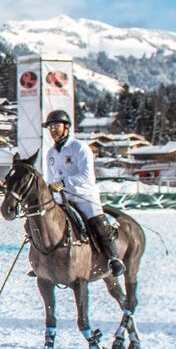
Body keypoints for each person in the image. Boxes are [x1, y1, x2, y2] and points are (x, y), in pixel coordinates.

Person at [42, 110, 125, 276]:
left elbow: (87, 175)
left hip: (83, 196)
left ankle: (114, 259)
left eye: (56, 126)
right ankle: (43, 261)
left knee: (98, 223)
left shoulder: (79, 147)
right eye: (50, 127)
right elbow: (51, 179)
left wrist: (64, 183)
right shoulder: (50, 153)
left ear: (66, 127)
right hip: (61, 198)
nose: (52, 130)